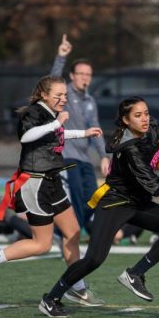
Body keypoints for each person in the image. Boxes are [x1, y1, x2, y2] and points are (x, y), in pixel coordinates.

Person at [38, 97, 159, 317]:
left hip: (138, 202)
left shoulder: (149, 127)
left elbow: (156, 142)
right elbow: (156, 187)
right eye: (138, 116)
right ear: (126, 121)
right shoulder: (129, 150)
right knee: (94, 259)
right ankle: (51, 298)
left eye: (146, 113)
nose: (145, 119)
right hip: (116, 203)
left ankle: (135, 274)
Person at [0, 76, 105, 306]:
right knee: (42, 245)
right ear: (44, 94)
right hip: (35, 182)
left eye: (65, 95)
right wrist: (57, 123)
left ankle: (77, 288)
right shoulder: (34, 112)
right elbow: (27, 137)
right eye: (59, 95)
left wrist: (83, 133)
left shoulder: (50, 114)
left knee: (73, 232)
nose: (64, 99)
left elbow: (53, 136)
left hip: (52, 180)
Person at [50, 34, 110, 233]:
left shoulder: (90, 101)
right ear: (73, 75)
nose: (85, 77)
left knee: (92, 197)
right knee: (74, 194)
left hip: (84, 157)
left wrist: (103, 157)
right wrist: (61, 56)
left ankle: (63, 232)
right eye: (81, 73)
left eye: (88, 74)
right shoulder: (64, 93)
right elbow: (52, 82)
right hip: (66, 156)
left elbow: (97, 130)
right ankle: (70, 235)